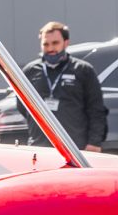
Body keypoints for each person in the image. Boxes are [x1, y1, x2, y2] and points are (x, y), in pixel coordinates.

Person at [20, 21, 106, 152]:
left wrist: (94, 142)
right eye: (46, 44)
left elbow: (96, 109)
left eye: (55, 43)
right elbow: (22, 105)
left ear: (66, 43)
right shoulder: (30, 71)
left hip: (75, 148)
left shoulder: (83, 70)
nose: (50, 48)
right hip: (40, 146)